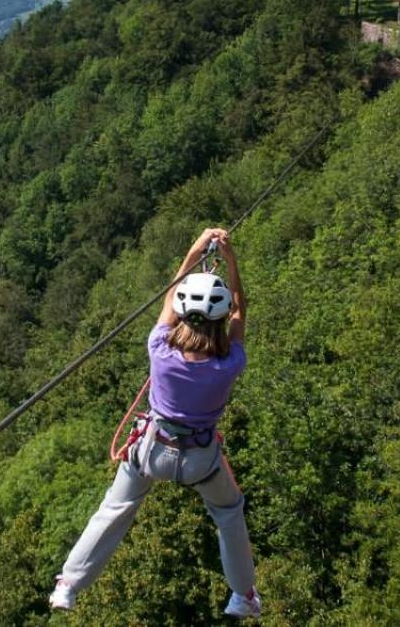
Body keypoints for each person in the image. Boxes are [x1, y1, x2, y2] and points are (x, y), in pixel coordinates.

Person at [49, 227, 260, 618]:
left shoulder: (160, 349)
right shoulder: (228, 364)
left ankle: (69, 585)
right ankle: (242, 596)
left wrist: (194, 250)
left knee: (115, 508)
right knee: (229, 512)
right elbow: (239, 313)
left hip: (152, 450)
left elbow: (170, 299)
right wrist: (229, 261)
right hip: (200, 460)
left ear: (182, 312)